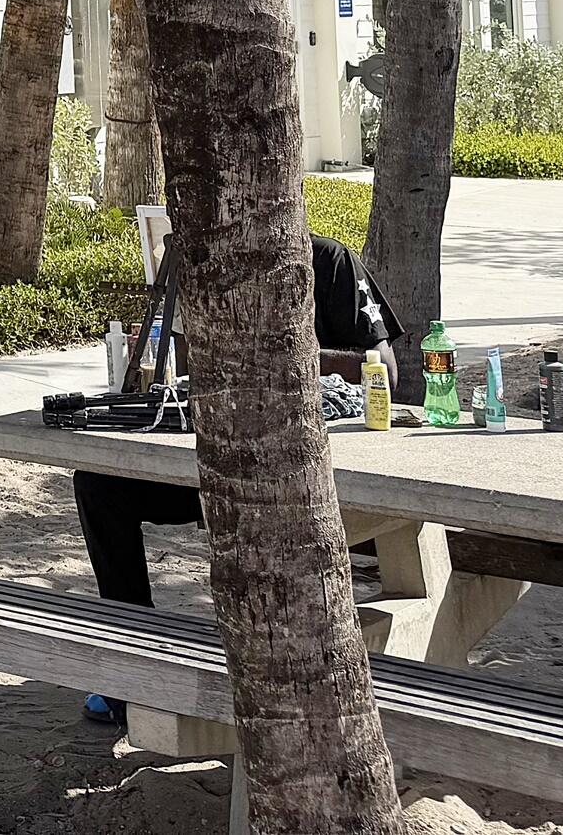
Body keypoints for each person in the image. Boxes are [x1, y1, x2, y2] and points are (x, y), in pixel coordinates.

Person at [72, 232, 404, 725]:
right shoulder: (205, 262)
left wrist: (284, 356)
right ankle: (134, 653)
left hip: (302, 470)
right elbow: (186, 371)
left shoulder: (326, 260)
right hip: (218, 459)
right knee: (100, 485)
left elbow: (385, 372)